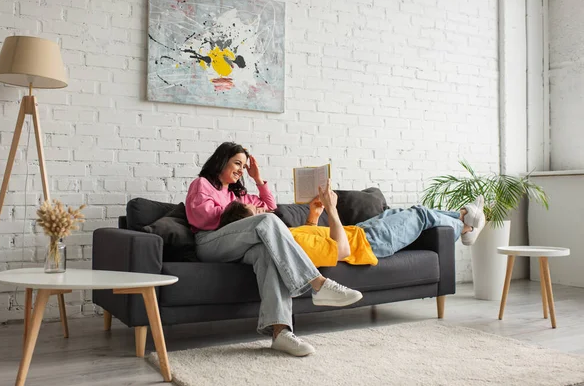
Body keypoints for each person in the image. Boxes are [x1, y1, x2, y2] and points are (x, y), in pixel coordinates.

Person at [185, 142, 364, 357]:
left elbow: (270, 205)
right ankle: (318, 284)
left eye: (244, 166)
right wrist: (242, 211)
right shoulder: (202, 184)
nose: (241, 169)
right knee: (266, 222)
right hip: (210, 242)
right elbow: (201, 217)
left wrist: (257, 179)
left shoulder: (235, 194)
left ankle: (281, 333)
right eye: (237, 163)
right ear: (221, 160)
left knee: (266, 253)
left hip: (237, 245)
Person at [218, 181, 486, 268]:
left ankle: (464, 219)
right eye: (257, 210)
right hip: (369, 243)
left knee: (411, 211)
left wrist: (313, 215)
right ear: (250, 223)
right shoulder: (277, 237)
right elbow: (340, 249)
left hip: (364, 232)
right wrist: (332, 211)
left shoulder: (280, 233)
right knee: (421, 216)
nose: (264, 209)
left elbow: (312, 236)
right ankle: (464, 224)